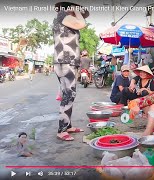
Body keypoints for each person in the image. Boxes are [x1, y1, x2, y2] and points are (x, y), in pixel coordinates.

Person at [53, 2, 89, 141]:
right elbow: (82, 23)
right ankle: (61, 130)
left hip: (69, 61)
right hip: (65, 60)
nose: (77, 13)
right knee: (69, 94)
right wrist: (76, 10)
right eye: (75, 10)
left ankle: (67, 126)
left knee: (69, 94)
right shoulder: (62, 15)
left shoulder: (67, 21)